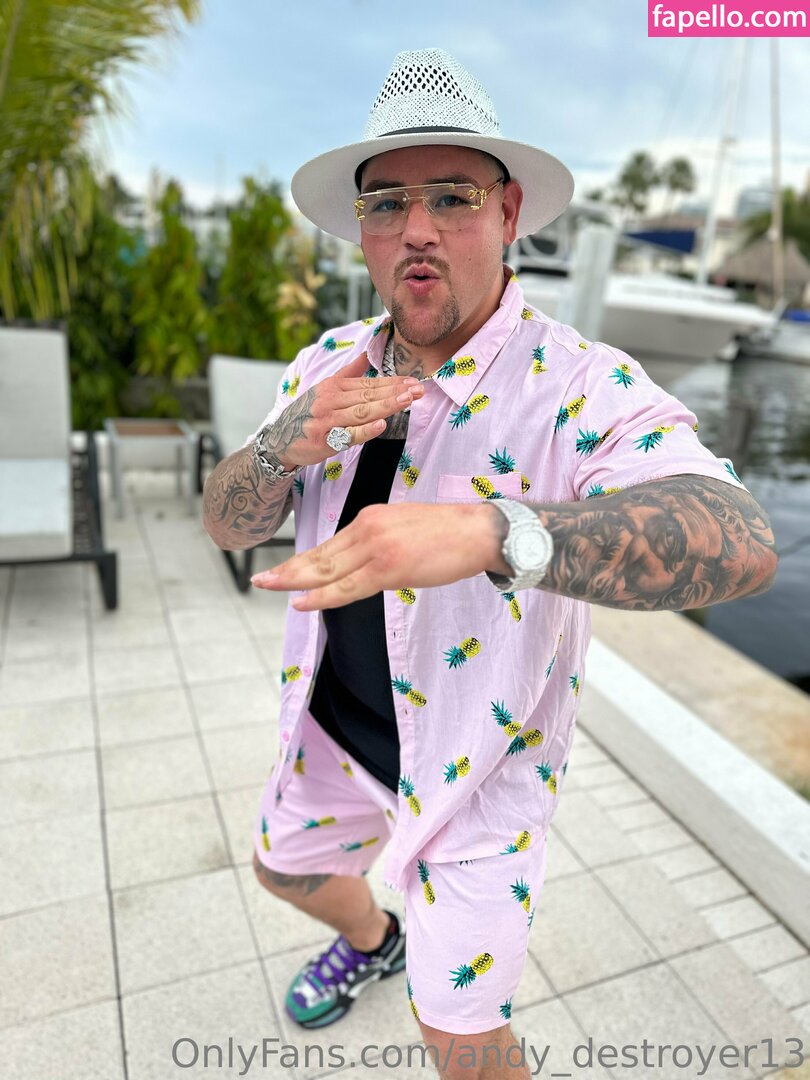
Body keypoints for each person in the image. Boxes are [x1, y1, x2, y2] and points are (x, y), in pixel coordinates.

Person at [202, 48, 777, 1080]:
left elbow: (738, 537)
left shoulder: (580, 386)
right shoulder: (325, 365)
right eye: (388, 203)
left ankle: (413, 965)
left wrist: (496, 531)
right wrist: (286, 442)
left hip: (478, 767)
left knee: (461, 1037)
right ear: (363, 231)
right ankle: (371, 940)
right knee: (281, 870)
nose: (417, 228)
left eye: (452, 196)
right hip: (330, 721)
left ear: (509, 212)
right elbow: (226, 521)